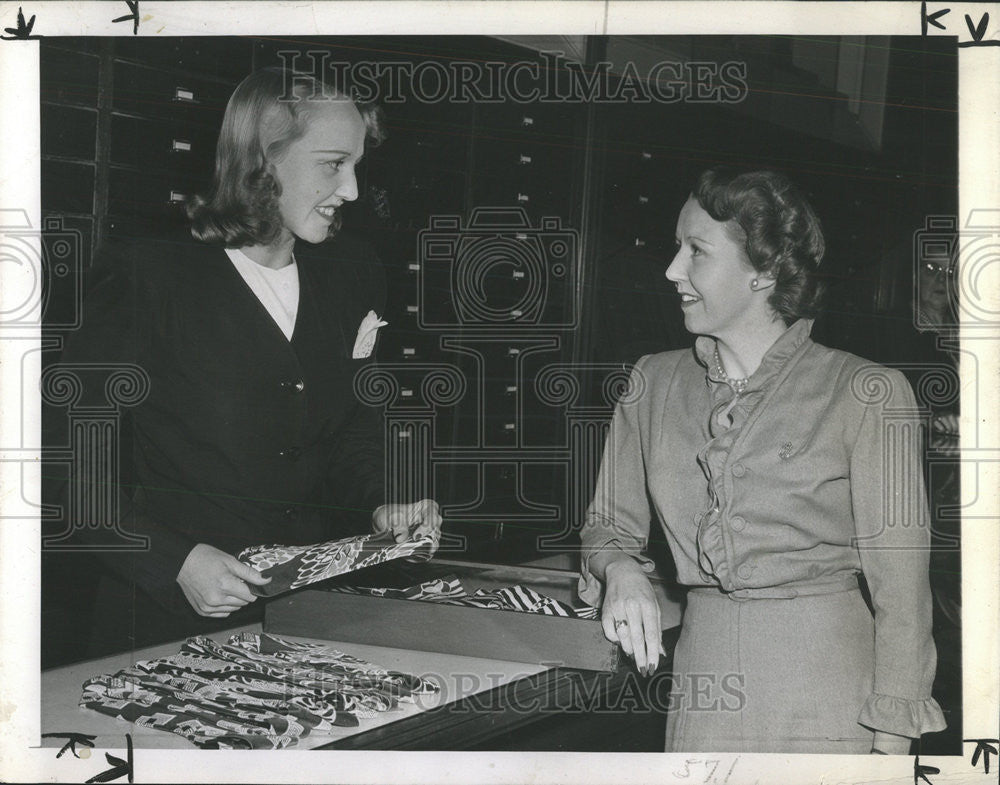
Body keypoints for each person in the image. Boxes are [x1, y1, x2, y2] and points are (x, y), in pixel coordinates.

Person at [47, 68, 441, 652]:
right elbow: (60, 464)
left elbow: (355, 427)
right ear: (263, 161)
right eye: (333, 164)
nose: (353, 190)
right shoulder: (150, 273)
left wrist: (384, 501)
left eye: (358, 164)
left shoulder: (352, 271)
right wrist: (172, 560)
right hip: (163, 618)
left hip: (306, 611)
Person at [578, 169, 945, 754]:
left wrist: (891, 746)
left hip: (829, 692)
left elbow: (903, 595)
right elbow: (608, 527)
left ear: (765, 272)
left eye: (695, 251)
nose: (673, 270)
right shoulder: (652, 382)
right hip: (704, 684)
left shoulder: (867, 392)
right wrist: (619, 570)